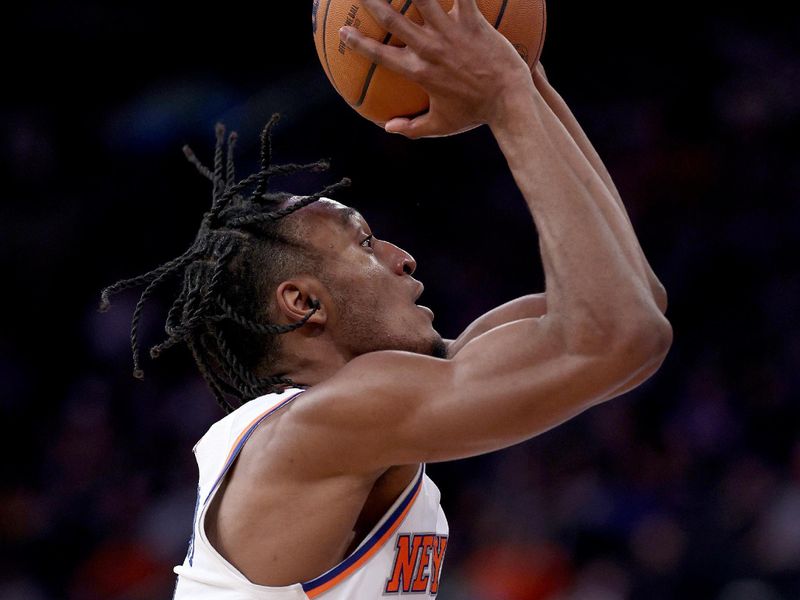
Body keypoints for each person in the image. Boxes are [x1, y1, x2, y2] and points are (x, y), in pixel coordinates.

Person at [100, 0, 672, 597]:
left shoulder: (359, 411)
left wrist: (526, 76)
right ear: (302, 303)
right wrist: (506, 98)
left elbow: (635, 303)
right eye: (366, 243)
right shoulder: (326, 423)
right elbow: (621, 335)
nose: (403, 257)